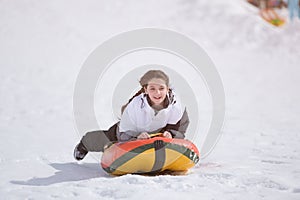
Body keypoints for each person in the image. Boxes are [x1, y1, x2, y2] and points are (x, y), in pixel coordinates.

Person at [73, 69, 190, 161]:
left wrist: (171, 134)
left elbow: (180, 126)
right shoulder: (136, 107)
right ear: (146, 89)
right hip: (130, 131)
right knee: (107, 139)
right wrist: (136, 138)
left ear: (167, 88)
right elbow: (125, 133)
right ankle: (84, 144)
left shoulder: (175, 106)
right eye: (152, 88)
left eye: (161, 88)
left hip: (159, 132)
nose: (157, 93)